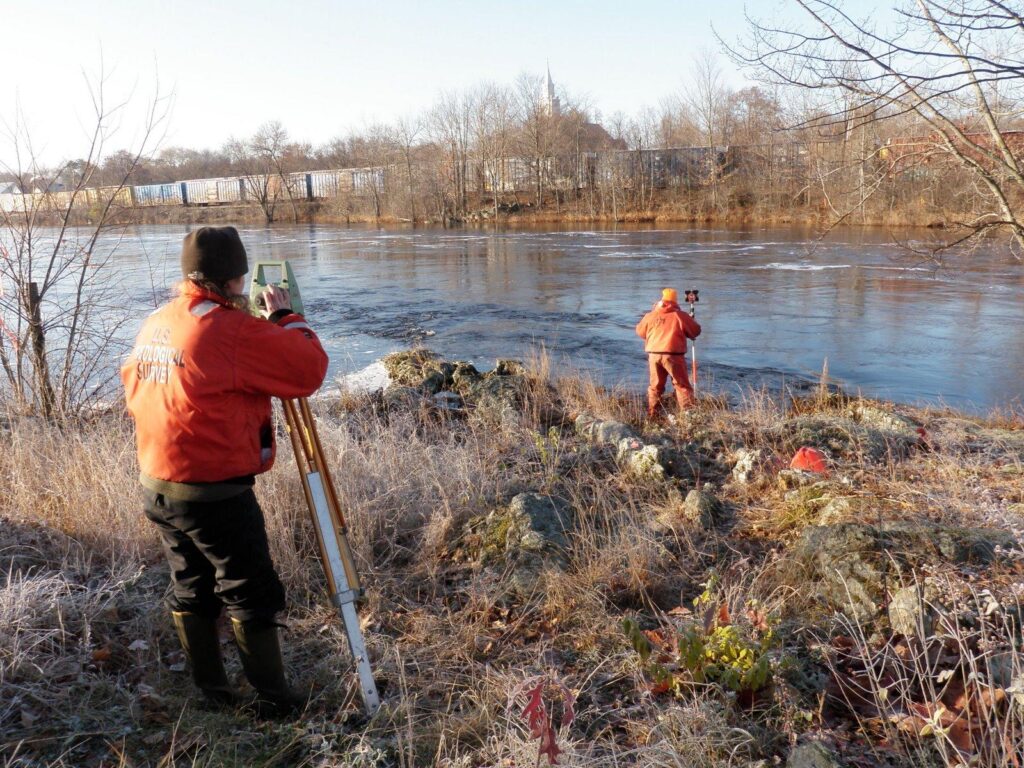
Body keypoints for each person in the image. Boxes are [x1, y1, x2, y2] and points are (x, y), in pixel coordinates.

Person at [121, 226, 328, 713]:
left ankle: (212, 693)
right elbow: (308, 371)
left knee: (191, 586)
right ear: (238, 277)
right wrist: (282, 315)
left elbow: (133, 388)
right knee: (250, 590)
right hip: (212, 490)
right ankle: (274, 701)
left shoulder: (160, 319)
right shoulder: (229, 329)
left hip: (158, 482)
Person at [635, 288, 701, 418]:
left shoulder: (650, 315)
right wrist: (691, 321)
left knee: (655, 387)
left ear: (661, 300)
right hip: (673, 355)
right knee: (682, 386)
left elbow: (640, 332)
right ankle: (688, 416)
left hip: (653, 355)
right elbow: (695, 331)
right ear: (675, 301)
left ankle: (653, 415)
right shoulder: (680, 315)